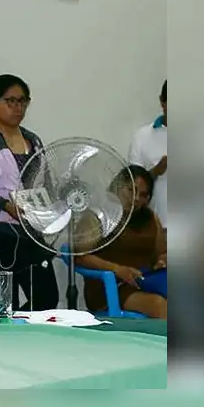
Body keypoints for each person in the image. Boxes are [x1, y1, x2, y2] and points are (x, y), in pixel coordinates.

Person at [0, 74, 59, 311]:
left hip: (29, 232)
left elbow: (45, 181)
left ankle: (28, 340)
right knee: (3, 303)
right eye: (10, 101)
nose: (18, 107)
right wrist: (2, 204)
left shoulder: (33, 139)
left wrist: (49, 205)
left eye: (23, 101)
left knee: (47, 297)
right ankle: (4, 343)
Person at [75, 164, 167, 318]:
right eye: (132, 190)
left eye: (144, 195)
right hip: (111, 286)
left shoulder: (151, 218)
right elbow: (79, 256)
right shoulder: (98, 216)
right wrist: (117, 269)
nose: (136, 199)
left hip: (146, 282)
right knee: (158, 305)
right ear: (117, 187)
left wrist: (162, 261)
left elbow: (162, 253)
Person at [129, 80, 167, 230]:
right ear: (162, 102)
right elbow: (132, 186)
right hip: (157, 226)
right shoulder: (143, 136)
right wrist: (156, 171)